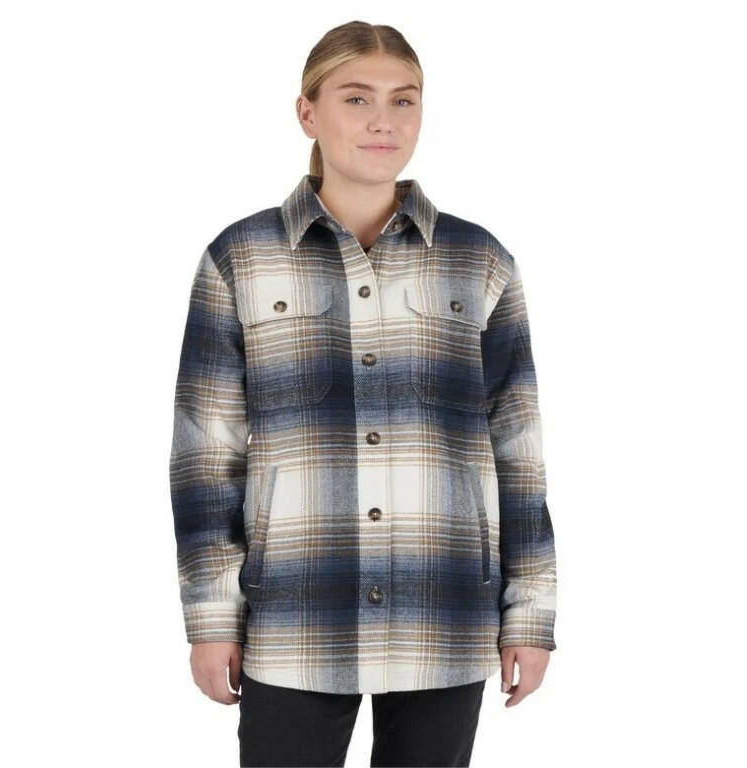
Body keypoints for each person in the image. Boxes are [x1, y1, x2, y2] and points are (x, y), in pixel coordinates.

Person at [169, 19, 557, 768]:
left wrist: (530, 612)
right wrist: (211, 616)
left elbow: (519, 448)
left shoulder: (479, 260)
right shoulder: (240, 257)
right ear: (307, 113)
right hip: (295, 615)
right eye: (357, 98)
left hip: (444, 608)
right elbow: (205, 453)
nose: (384, 120)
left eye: (403, 100)